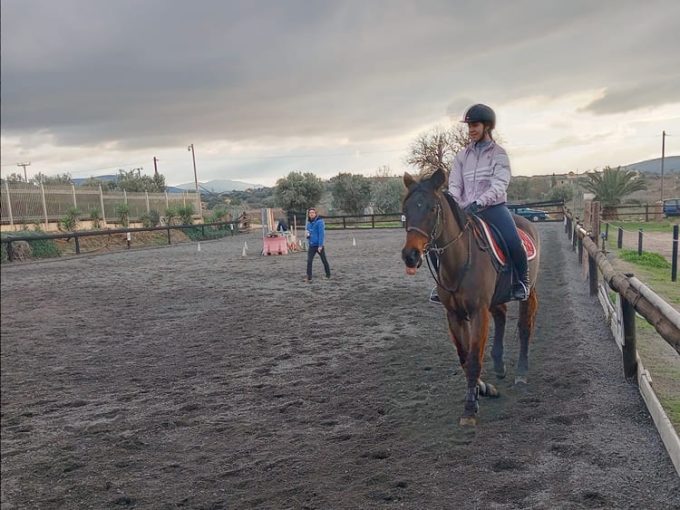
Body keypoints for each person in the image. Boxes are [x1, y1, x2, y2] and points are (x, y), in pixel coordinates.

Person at [429, 104, 529, 303]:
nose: (471, 130)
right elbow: (456, 185)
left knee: (512, 241)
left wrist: (480, 201)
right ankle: (443, 284)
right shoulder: (461, 156)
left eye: (475, 125)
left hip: (492, 208)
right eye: (469, 126)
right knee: (436, 242)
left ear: (487, 126)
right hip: (466, 210)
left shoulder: (498, 154)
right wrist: (454, 203)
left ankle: (521, 282)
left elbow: (500, 184)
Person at [305, 207, 331, 282]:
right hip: (311, 245)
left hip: (318, 245)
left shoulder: (320, 222)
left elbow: (321, 234)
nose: (311, 214)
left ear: (315, 213)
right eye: (310, 213)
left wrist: (320, 245)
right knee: (309, 261)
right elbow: (309, 234)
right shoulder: (309, 223)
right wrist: (308, 236)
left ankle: (328, 275)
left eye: (313, 212)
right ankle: (309, 277)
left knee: (324, 260)